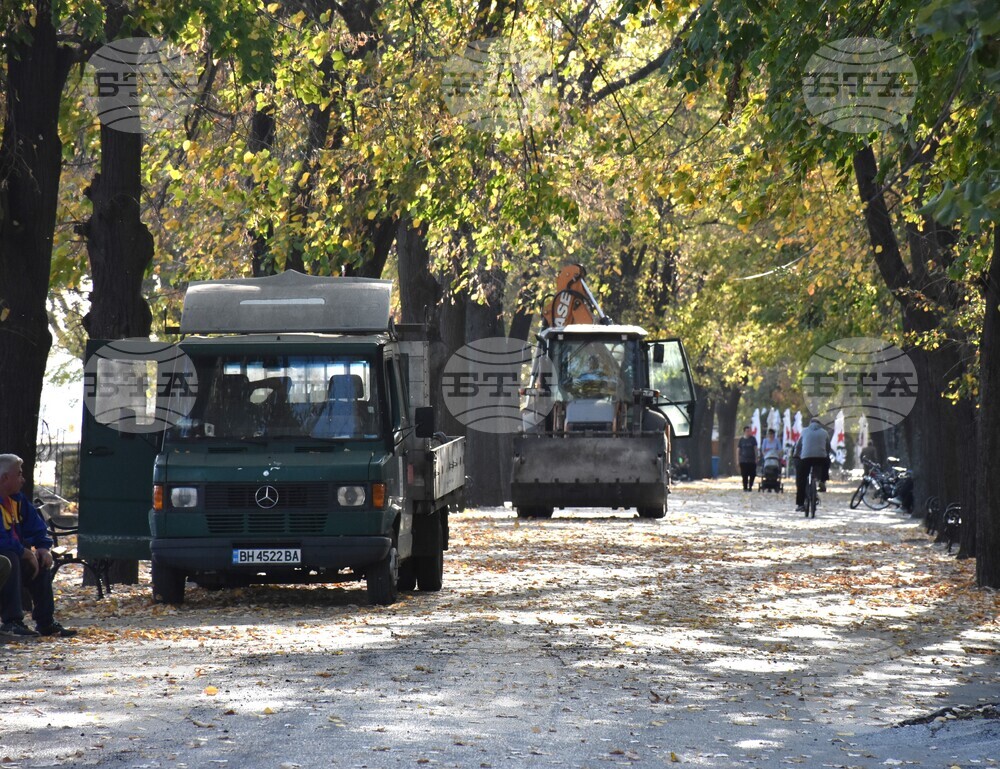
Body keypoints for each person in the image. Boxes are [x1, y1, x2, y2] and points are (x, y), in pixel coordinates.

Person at [0, 454, 77, 638]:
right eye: (18, 474)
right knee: (10, 556)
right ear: (4, 478)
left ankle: (46, 622)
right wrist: (25, 553)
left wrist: (42, 547)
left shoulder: (17, 500)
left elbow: (36, 526)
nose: (23, 479)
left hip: (15, 561)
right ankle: (12, 622)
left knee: (41, 560)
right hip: (5, 564)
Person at [794, 418, 832, 512]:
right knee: (826, 461)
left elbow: (798, 446)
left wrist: (796, 455)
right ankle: (823, 480)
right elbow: (828, 448)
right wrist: (825, 454)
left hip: (806, 458)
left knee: (801, 480)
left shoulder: (804, 431)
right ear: (820, 424)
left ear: (810, 423)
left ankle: (800, 504)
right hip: (820, 459)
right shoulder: (824, 432)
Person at [737, 425, 758, 491]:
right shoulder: (741, 440)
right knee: (744, 475)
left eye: (750, 431)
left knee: (753, 474)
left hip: (751, 460)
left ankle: (750, 486)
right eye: (747, 431)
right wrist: (738, 460)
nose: (749, 432)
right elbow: (738, 450)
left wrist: (756, 458)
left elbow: (755, 449)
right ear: (744, 432)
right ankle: (745, 487)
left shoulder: (753, 439)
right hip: (743, 460)